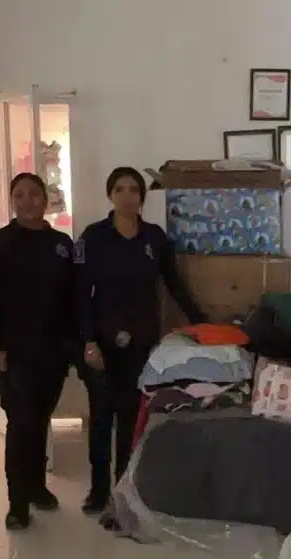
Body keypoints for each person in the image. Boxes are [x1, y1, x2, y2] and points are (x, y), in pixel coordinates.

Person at [75, 166, 206, 514]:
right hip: (102, 343)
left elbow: (174, 285)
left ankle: (124, 488)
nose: (127, 196)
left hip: (142, 342)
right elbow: (80, 294)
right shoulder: (94, 237)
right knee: (101, 417)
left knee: (132, 418)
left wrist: (203, 322)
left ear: (142, 197)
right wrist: (88, 342)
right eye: (119, 189)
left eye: (133, 189)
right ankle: (98, 491)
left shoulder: (154, 238)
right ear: (110, 195)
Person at [0, 173, 77, 530]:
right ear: (12, 201)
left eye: (34, 194)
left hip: (52, 351)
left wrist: (74, 345)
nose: (27, 201)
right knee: (21, 425)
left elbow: (73, 298)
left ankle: (36, 487)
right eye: (19, 195)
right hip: (12, 353)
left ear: (45, 200)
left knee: (39, 420)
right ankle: (17, 504)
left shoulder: (61, 244)